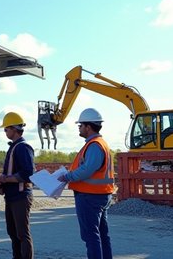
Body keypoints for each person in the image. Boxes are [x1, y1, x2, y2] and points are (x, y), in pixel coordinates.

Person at [57, 108, 115, 259]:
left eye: (80, 125)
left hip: (90, 196)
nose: (79, 128)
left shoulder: (94, 145)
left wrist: (68, 176)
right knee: (102, 235)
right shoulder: (99, 144)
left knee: (91, 237)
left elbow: (87, 169)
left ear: (88, 127)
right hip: (100, 194)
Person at [0, 112, 35, 259]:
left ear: (13, 129)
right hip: (13, 196)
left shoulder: (23, 147)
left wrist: (6, 179)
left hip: (20, 197)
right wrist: (3, 182)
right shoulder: (14, 147)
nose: (5, 132)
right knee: (13, 233)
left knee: (22, 234)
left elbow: (28, 173)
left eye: (6, 129)